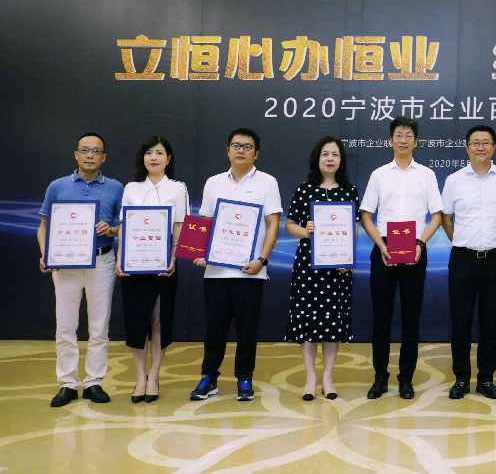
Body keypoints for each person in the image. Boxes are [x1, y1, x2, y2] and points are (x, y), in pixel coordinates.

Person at [189, 128, 282, 402]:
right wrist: (199, 251)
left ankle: (244, 377)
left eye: (247, 146)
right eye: (236, 145)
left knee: (247, 330)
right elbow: (204, 222)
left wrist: (262, 260)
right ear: (228, 150)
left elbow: (273, 223)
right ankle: (209, 377)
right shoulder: (213, 182)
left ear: (257, 153)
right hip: (216, 271)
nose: (241, 150)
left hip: (250, 271)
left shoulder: (267, 182)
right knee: (214, 329)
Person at [38, 132, 124, 407]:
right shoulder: (57, 186)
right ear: (76, 154)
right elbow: (43, 227)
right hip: (66, 264)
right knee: (65, 326)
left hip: (102, 261)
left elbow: (124, 226)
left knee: (99, 326)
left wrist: (111, 229)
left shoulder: (116, 188)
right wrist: (45, 254)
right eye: (85, 150)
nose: (90, 155)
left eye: (96, 151)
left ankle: (94, 382)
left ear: (104, 157)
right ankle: (67, 383)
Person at [360, 116, 443, 400]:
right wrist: (380, 244)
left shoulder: (427, 175)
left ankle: (406, 378)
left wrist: (420, 243)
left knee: (411, 318)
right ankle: (380, 377)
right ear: (391, 140)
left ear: (416, 142)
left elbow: (437, 216)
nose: (403, 140)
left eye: (408, 135)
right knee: (381, 318)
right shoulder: (379, 174)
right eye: (398, 135)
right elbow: (366, 215)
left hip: (415, 251)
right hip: (383, 250)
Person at [441, 125, 496, 400]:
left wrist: (493, 237)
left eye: (486, 142)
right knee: (460, 322)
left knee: (490, 322)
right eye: (475, 142)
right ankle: (461, 378)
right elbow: (446, 218)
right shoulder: (454, 180)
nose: (480, 147)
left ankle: (486, 378)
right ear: (467, 148)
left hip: (494, 260)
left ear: (494, 147)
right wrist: (461, 240)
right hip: (462, 259)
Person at [284, 136, 359, 401]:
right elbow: (289, 225)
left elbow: (354, 228)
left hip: (337, 269)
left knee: (332, 322)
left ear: (341, 160)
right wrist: (306, 231)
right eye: (325, 154)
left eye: (335, 154)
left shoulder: (349, 191)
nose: (330, 159)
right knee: (308, 321)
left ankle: (328, 377)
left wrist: (347, 258)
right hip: (308, 267)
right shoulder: (304, 190)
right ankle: (310, 378)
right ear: (317, 158)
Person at [116, 136, 189, 403]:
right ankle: (140, 377)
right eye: (149, 153)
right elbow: (124, 226)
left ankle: (154, 376)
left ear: (168, 159)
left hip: (163, 263)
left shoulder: (178, 188)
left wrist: (174, 258)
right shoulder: (132, 188)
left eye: (159, 153)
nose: (154, 158)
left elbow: (180, 227)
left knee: (158, 320)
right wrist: (120, 258)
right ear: (143, 158)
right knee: (137, 321)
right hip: (134, 264)